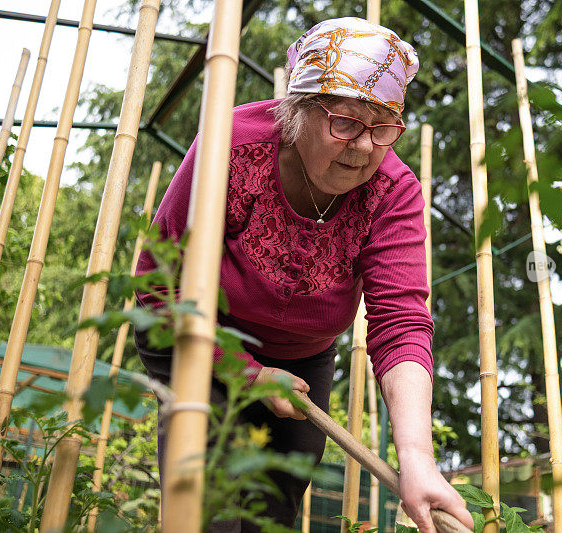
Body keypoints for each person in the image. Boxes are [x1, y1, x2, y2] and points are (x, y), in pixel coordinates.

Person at [135, 17, 474, 533]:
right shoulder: (232, 146)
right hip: (195, 333)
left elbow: (400, 323)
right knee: (211, 505)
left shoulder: (392, 191)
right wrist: (245, 374)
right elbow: (159, 286)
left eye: (382, 128)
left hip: (300, 358)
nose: (363, 147)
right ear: (297, 112)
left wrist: (417, 459)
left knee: (273, 507)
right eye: (346, 123)